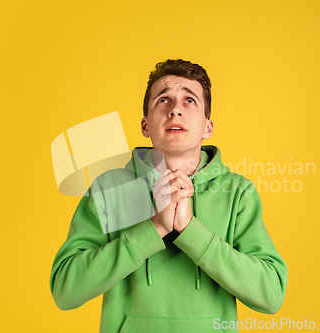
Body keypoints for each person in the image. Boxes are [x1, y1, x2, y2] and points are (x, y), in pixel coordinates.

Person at [50, 59, 288, 333]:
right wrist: (155, 227)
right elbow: (65, 290)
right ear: (145, 125)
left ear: (207, 127)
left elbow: (271, 295)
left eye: (189, 101)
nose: (175, 110)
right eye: (163, 100)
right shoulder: (109, 189)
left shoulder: (238, 192)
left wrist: (190, 230)